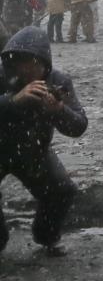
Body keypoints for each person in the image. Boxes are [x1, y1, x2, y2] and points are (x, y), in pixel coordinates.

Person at [0, 27, 88, 257]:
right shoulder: (1, 76)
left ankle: (46, 235)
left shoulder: (58, 81)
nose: (27, 69)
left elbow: (78, 125)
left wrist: (58, 110)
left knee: (62, 190)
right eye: (20, 62)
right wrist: (13, 101)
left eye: (33, 63)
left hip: (33, 150)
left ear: (44, 63)